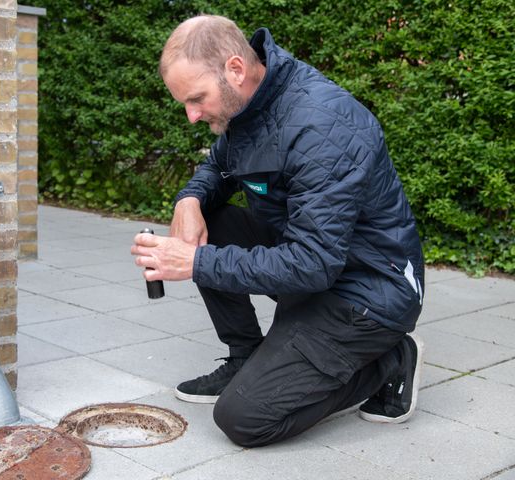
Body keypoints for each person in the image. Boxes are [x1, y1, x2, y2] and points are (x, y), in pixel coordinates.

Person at [131, 14, 425, 447]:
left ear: (235, 69)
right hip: (317, 264)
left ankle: (391, 359)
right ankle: (246, 357)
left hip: (367, 294)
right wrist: (189, 201)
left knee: (243, 420)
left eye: (197, 98)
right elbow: (218, 164)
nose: (192, 116)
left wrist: (194, 262)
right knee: (213, 221)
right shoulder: (250, 105)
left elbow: (312, 265)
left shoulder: (323, 125)